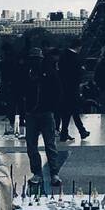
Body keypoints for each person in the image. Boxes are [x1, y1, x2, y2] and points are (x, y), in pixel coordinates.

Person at [24, 48, 67, 188]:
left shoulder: (33, 74)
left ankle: (40, 173)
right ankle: (52, 173)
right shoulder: (47, 73)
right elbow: (59, 91)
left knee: (37, 144)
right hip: (40, 112)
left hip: (37, 112)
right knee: (46, 144)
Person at [57, 48, 90, 142]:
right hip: (72, 91)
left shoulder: (63, 62)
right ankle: (80, 131)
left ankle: (67, 133)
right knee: (73, 112)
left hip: (64, 91)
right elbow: (78, 76)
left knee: (68, 114)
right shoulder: (75, 61)